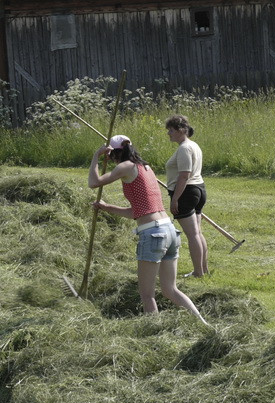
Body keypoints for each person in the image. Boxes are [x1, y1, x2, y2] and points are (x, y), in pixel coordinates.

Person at [89, 135, 209, 325]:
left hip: (153, 235)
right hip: (169, 231)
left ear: (114, 153)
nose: (110, 160)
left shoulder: (125, 166)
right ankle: (202, 323)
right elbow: (138, 212)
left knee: (147, 294)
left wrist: (96, 156)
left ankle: (154, 330)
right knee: (170, 290)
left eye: (110, 156)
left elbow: (94, 182)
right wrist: (106, 207)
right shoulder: (146, 168)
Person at [165, 114, 208, 278]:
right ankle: (203, 269)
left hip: (186, 192)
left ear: (182, 130)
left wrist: (175, 198)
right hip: (199, 189)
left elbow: (184, 175)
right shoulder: (193, 145)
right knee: (197, 233)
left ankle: (198, 272)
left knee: (193, 235)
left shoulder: (184, 148)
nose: (169, 133)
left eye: (171, 130)